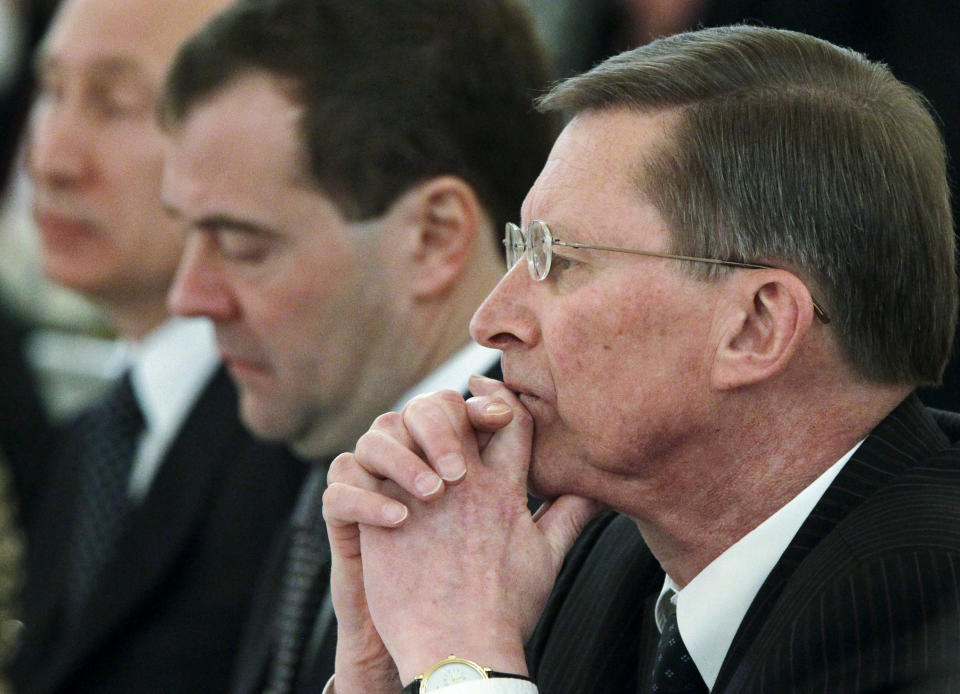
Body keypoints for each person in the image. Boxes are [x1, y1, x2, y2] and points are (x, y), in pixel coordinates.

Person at [321, 25, 960, 693]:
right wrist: (386, 675)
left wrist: (460, 659)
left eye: (560, 261)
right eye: (520, 250)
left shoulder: (931, 601)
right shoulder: (598, 553)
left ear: (755, 326)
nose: (491, 322)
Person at [157, 0, 555, 691]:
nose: (188, 297)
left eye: (243, 246)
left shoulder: (544, 504)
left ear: (433, 236)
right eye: (186, 234)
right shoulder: (323, 447)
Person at [11, 0, 307, 692]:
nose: (50, 159)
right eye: (50, 90)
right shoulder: (98, 431)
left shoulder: (308, 440)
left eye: (117, 103)